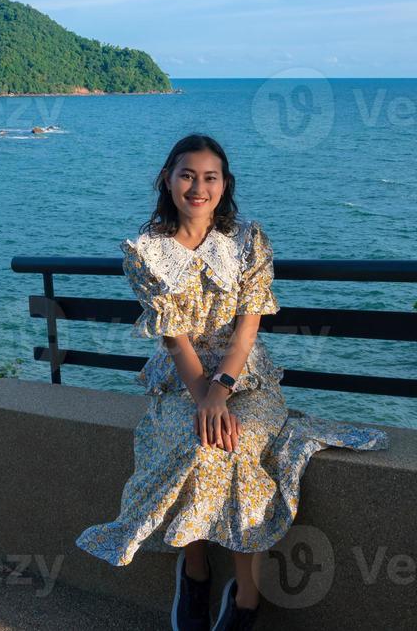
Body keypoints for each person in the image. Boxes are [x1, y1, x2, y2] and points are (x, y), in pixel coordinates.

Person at [75, 133, 389, 631]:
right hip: (182, 377)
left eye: (210, 177)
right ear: (167, 179)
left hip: (247, 374)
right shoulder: (145, 252)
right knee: (197, 444)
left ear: (224, 185)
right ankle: (195, 570)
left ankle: (246, 597)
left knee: (238, 447)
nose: (198, 187)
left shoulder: (248, 240)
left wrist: (220, 391)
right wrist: (203, 399)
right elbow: (176, 341)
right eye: (187, 175)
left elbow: (247, 331)